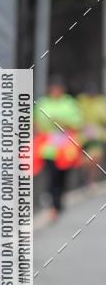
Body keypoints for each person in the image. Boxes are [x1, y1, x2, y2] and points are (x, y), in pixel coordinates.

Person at [33, 75, 83, 220]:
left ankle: (59, 199)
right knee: (52, 173)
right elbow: (36, 121)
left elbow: (77, 121)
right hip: (49, 145)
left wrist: (62, 122)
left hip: (66, 144)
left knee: (63, 174)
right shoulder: (43, 103)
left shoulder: (70, 103)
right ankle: (53, 201)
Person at [76, 82, 106, 189]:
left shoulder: (101, 102)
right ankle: (85, 176)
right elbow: (75, 118)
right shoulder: (80, 102)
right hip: (82, 135)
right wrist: (83, 126)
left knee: (96, 157)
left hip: (97, 134)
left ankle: (91, 180)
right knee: (84, 160)